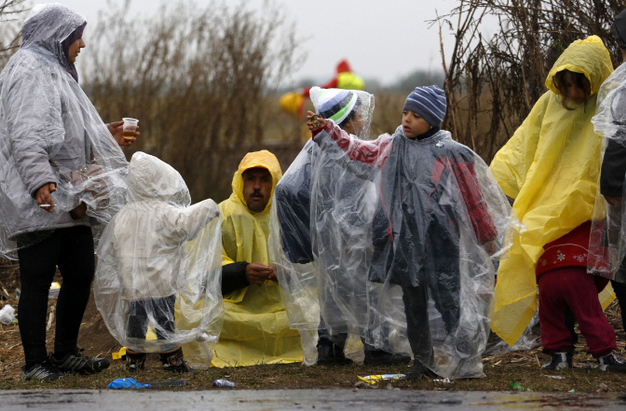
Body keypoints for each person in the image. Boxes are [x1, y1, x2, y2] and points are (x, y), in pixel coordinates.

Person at [0, 3, 135, 381]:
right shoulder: (31, 71)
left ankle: (64, 353)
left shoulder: (54, 71)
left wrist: (102, 134)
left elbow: (64, 132)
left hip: (68, 195)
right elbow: (27, 133)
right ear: (58, 36)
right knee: (38, 276)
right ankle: (35, 363)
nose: (83, 44)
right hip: (40, 197)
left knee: (80, 270)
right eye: (78, 36)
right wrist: (39, 180)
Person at [307, 86, 513, 380]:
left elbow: (472, 198)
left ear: (432, 121)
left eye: (416, 116)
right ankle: (423, 360)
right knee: (413, 304)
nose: (407, 120)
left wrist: (486, 235)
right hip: (403, 243)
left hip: (441, 242)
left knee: (449, 302)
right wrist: (328, 130)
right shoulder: (392, 147)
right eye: (405, 113)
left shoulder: (450, 153)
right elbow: (358, 153)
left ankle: (468, 360)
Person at [490, 35, 626, 372]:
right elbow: (524, 144)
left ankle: (596, 349)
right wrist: (496, 179)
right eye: (565, 85)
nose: (573, 93)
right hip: (547, 204)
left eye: (579, 85)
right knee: (552, 281)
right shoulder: (549, 103)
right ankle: (561, 350)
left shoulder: (610, 100)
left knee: (577, 280)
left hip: (591, 208)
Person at [270, 87, 376, 365]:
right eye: (359, 116)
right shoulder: (349, 149)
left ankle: (330, 347)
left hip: (327, 240)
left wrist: (309, 238)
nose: (363, 122)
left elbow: (288, 189)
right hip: (356, 238)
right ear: (348, 120)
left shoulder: (313, 148)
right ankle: (378, 347)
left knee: (331, 291)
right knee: (366, 292)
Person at [93, 152, 224, 372]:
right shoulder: (163, 213)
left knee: (136, 325)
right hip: (159, 284)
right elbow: (185, 223)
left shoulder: (123, 215)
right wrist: (208, 207)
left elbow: (114, 248)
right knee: (165, 324)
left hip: (132, 286)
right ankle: (172, 360)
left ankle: (134, 360)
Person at [212, 150, 303, 366]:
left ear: (275, 184)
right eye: (250, 178)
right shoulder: (221, 214)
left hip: (285, 309)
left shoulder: (290, 216)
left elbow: (312, 267)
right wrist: (242, 273)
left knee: (317, 311)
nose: (256, 186)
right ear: (240, 181)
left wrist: (290, 274)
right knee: (204, 316)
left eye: (264, 180)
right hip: (238, 310)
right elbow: (204, 273)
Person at [588, 8, 626, 337]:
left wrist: (610, 184)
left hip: (623, 194)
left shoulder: (622, 87)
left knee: (622, 266)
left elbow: (618, 137)